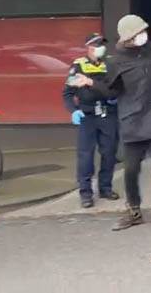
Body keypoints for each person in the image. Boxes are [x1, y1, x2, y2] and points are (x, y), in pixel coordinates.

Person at [69, 15, 151, 231]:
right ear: (127, 38)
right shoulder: (115, 61)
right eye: (137, 33)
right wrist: (90, 82)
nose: (142, 36)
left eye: (143, 31)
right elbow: (112, 91)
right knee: (130, 170)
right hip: (132, 120)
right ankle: (134, 212)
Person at [62, 33, 119, 209]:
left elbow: (113, 89)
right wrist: (74, 110)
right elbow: (68, 93)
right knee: (85, 155)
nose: (101, 47)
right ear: (89, 47)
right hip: (87, 115)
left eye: (102, 43)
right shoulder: (78, 65)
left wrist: (91, 83)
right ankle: (86, 193)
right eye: (97, 44)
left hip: (107, 113)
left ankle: (105, 188)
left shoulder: (110, 64)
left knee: (109, 153)